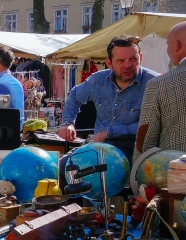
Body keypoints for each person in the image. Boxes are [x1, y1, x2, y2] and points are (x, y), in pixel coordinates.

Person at [58, 35, 157, 161]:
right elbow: (74, 96)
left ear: (141, 58)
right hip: (99, 151)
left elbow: (151, 124)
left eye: (133, 59)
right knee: (59, 168)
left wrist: (109, 132)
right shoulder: (97, 80)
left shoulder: (154, 84)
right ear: (109, 63)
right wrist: (68, 123)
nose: (128, 65)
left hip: (136, 156)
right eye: (120, 61)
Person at [137, 21, 186, 157]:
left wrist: (138, 172)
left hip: (176, 171)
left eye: (168, 44)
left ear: (177, 45)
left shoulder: (159, 84)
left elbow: (146, 140)